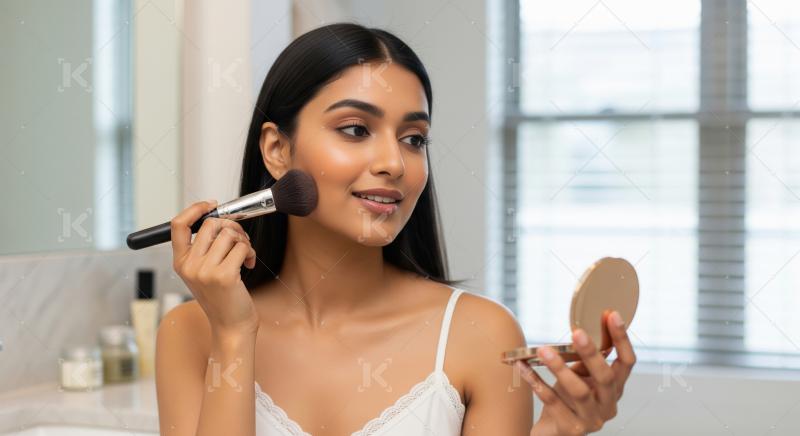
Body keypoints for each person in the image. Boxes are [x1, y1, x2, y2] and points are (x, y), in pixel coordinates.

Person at [155, 22, 636, 436]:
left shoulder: (479, 335)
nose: (394, 163)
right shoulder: (190, 333)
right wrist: (235, 334)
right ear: (277, 150)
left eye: (413, 139)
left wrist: (555, 429)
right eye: (356, 129)